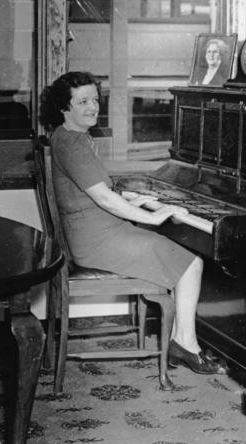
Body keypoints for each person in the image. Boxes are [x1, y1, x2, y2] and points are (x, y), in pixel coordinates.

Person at [40, 71, 222, 377]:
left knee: (178, 252)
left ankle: (181, 339)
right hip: (98, 239)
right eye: (82, 101)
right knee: (191, 263)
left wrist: (134, 202)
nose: (92, 107)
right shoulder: (73, 144)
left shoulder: (68, 137)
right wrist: (151, 215)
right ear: (64, 107)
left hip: (93, 232)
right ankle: (186, 343)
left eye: (95, 100)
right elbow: (105, 200)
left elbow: (97, 194)